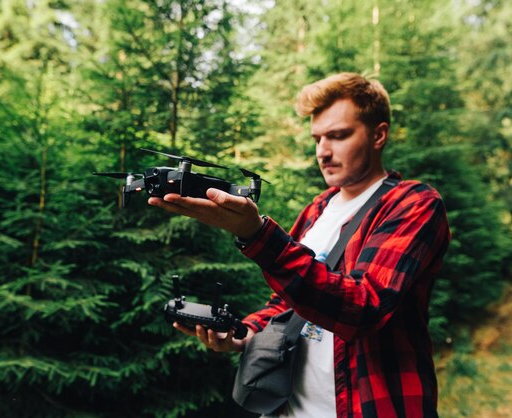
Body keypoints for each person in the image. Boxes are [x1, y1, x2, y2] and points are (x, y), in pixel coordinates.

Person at [148, 72, 450, 418]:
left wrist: (257, 234)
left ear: (378, 134)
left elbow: (364, 307)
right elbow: (286, 305)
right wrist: (243, 334)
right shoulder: (317, 209)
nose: (323, 151)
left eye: (338, 136)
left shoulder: (413, 203)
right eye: (317, 138)